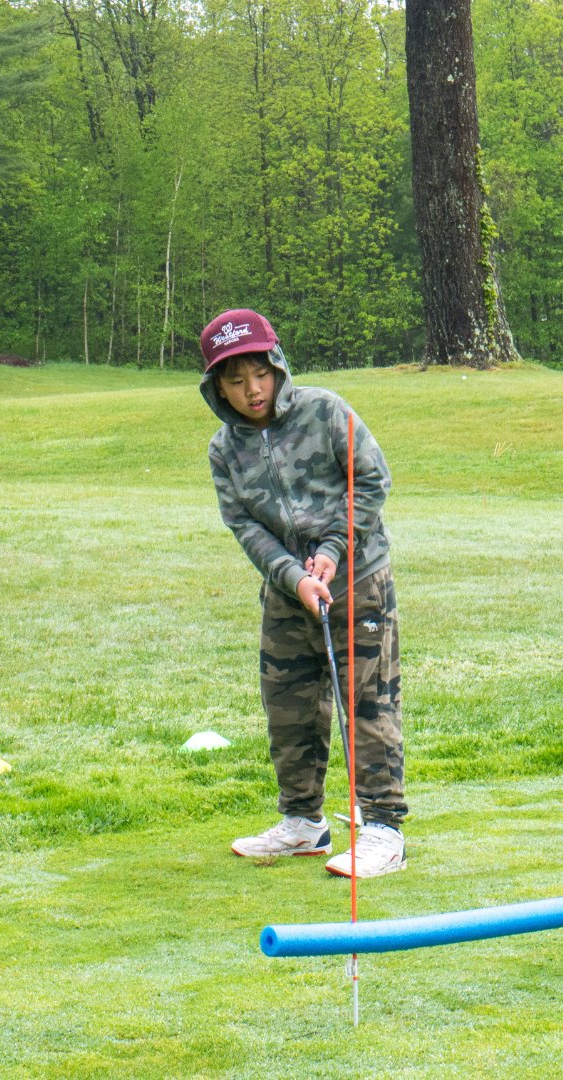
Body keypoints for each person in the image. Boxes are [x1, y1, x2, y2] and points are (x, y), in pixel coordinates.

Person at [199, 309, 408, 878]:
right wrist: (294, 576)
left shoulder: (326, 411)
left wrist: (334, 551)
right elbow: (246, 527)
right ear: (217, 387)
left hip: (358, 580)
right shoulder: (224, 450)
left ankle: (385, 829)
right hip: (287, 592)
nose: (252, 391)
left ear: (277, 366)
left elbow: (371, 481)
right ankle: (303, 823)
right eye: (235, 382)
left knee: (366, 703)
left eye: (259, 375)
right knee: (288, 707)